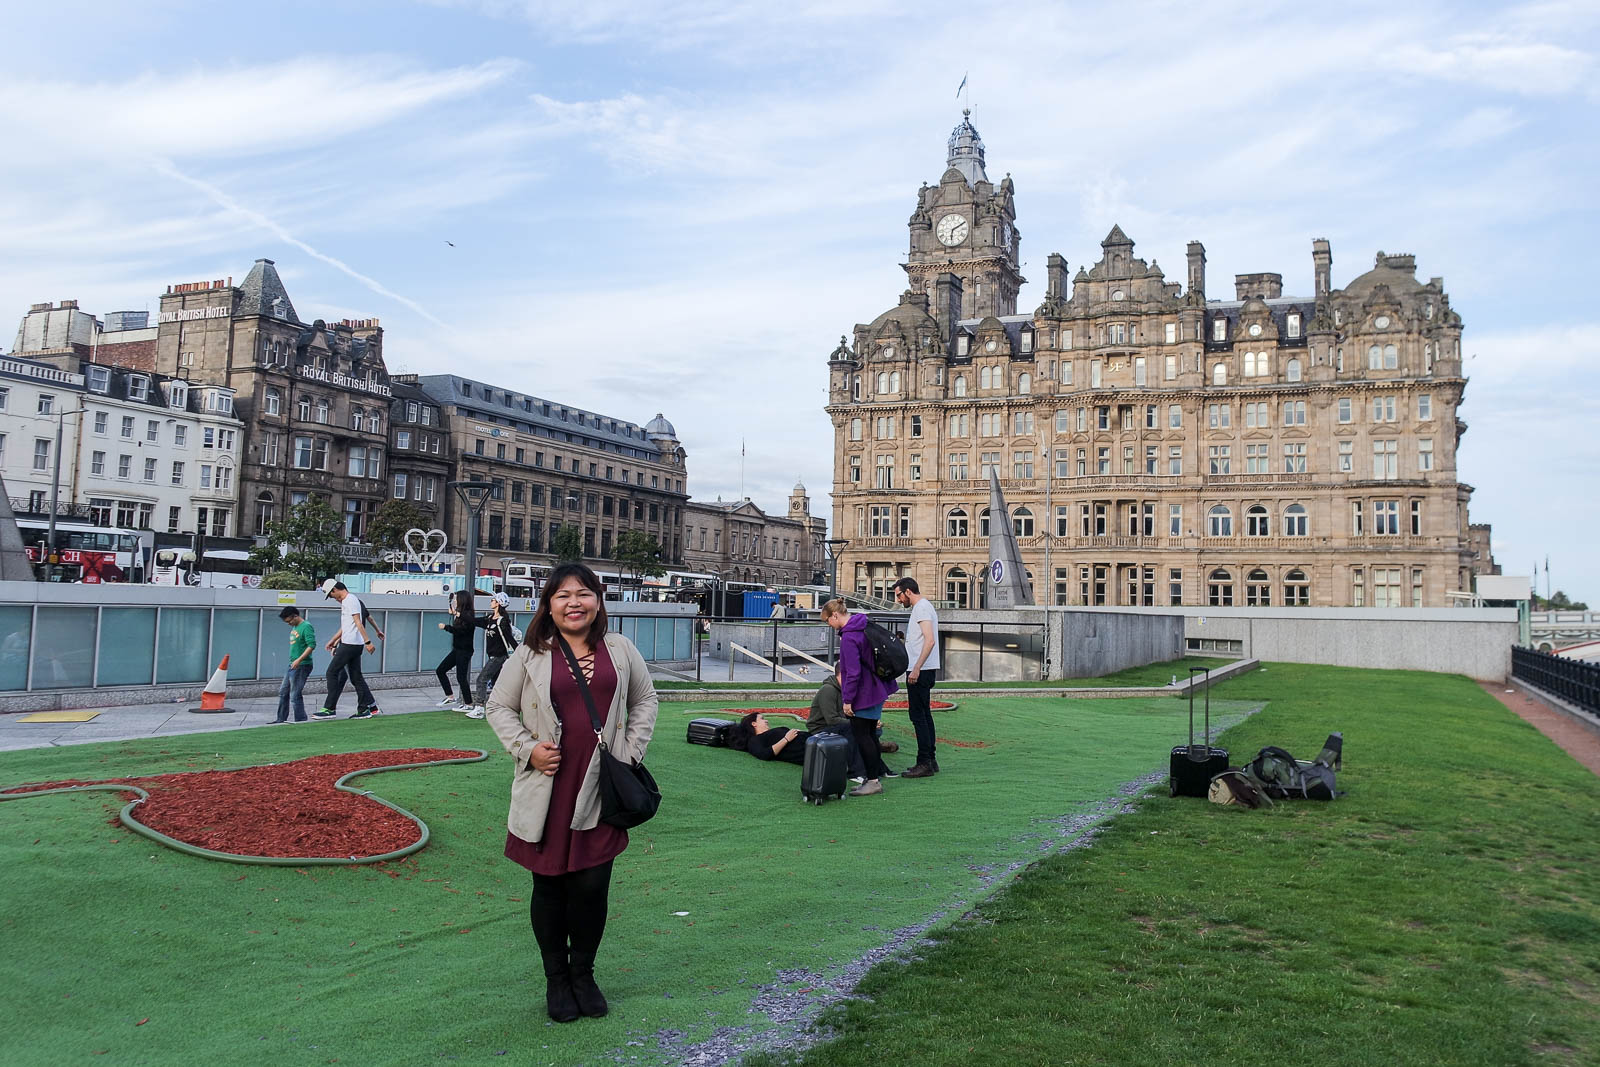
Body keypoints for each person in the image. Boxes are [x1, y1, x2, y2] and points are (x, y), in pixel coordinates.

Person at [484, 562, 658, 1024]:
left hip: (601, 784)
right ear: (548, 605)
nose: (573, 603)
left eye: (583, 593)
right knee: (549, 886)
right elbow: (498, 706)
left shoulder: (619, 648)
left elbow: (645, 699)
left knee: (592, 885)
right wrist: (527, 749)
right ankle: (556, 980)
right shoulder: (530, 654)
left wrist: (630, 753)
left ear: (598, 601)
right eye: (562, 595)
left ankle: (583, 974)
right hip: (548, 785)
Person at [820, 599, 897, 796]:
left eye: (828, 621)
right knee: (870, 734)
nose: (829, 625)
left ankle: (872, 781)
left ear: (835, 615)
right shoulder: (862, 625)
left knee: (863, 736)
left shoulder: (849, 637)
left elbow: (852, 672)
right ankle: (874, 777)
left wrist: (848, 700)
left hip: (864, 692)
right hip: (877, 687)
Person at [893, 577, 942, 778]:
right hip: (923, 669)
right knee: (924, 714)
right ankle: (930, 759)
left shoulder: (921, 608)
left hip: (920, 670)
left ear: (908, 592)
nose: (898, 600)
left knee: (918, 716)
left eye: (899, 595)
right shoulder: (923, 607)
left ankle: (924, 762)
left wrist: (916, 668)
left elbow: (929, 641)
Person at [315, 580, 380, 718]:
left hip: (350, 644)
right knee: (356, 677)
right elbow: (347, 626)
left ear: (334, 590)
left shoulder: (349, 600)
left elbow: (358, 622)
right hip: (353, 644)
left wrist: (368, 641)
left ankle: (329, 709)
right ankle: (364, 709)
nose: (333, 598)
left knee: (331, 673)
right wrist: (333, 640)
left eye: (331, 595)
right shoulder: (349, 600)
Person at [471, 592, 517, 719]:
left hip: (499, 656)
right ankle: (503, 708)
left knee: (481, 679)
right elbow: (475, 621)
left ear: (498, 603)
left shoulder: (502, 621)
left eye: (493, 600)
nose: (491, 601)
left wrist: (519, 653)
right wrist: (460, 615)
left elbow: (510, 639)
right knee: (497, 683)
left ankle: (479, 707)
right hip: (493, 655)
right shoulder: (490, 618)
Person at [434, 589, 479, 712]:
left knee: (461, 677)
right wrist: (454, 613)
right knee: (440, 670)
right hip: (457, 649)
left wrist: (446, 627)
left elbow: (461, 631)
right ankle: (450, 696)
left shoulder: (468, 616)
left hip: (465, 650)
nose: (454, 601)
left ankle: (468, 704)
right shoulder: (460, 615)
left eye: (456, 599)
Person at [272, 607, 314, 723]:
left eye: (289, 621)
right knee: (283, 692)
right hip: (292, 664)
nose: (289, 624)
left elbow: (311, 645)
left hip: (302, 665)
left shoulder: (306, 626)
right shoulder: (295, 627)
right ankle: (281, 718)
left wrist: (299, 660)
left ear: (295, 616)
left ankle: (300, 719)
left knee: (295, 694)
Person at [729, 712, 807, 765]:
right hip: (806, 750)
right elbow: (764, 754)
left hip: (809, 741)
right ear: (754, 723)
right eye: (762, 718)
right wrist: (786, 739)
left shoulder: (766, 735)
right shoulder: (754, 740)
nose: (766, 721)